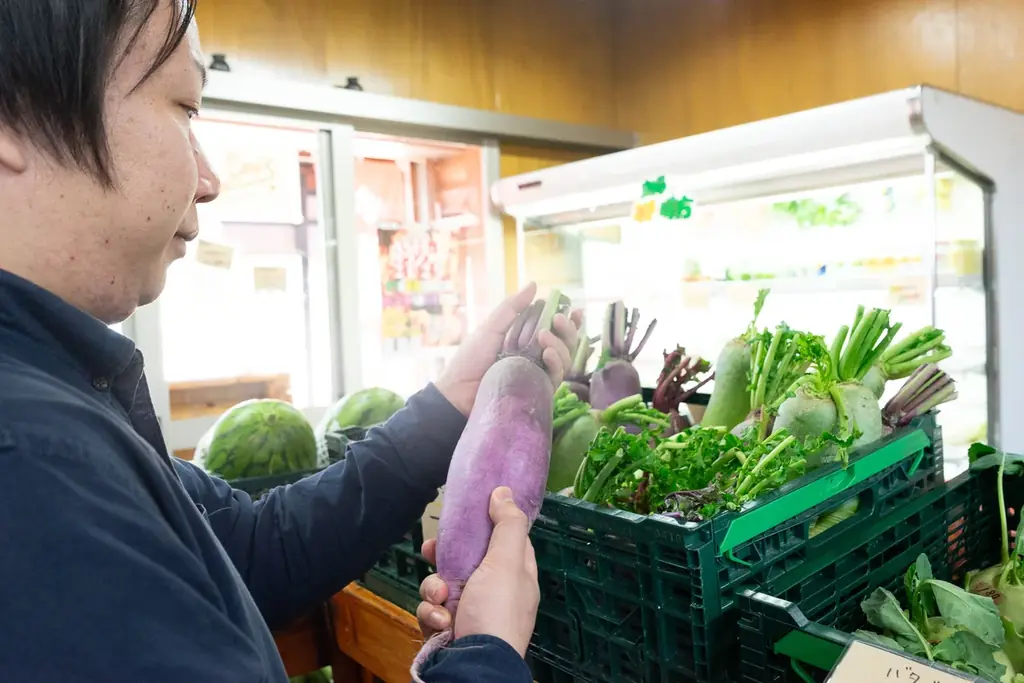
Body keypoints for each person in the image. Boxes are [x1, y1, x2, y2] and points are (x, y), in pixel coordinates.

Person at [0, 1, 578, 681]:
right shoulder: (33, 466)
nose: (208, 181)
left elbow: (253, 549)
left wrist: (455, 396)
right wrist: (486, 656)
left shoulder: (57, 404)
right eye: (185, 108)